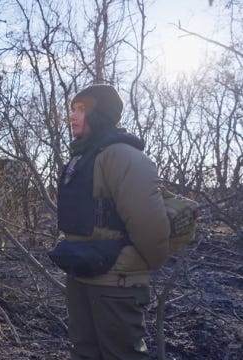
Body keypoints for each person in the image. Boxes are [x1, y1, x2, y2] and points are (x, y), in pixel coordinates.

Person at [55, 84, 170, 359]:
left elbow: (149, 224)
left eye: (82, 109)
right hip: (81, 273)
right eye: (72, 109)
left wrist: (138, 264)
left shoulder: (122, 155)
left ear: (101, 114)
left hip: (116, 283)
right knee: (84, 353)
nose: (72, 116)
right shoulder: (82, 157)